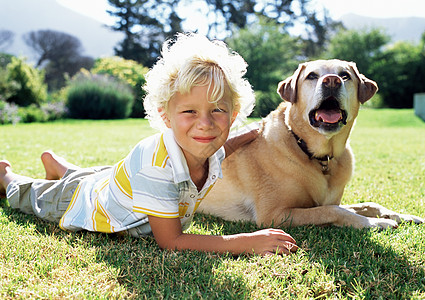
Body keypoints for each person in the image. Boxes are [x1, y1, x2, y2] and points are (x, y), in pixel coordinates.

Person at [0, 33, 298, 256]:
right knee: (34, 196)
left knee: (95, 179)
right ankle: (8, 177)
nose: (205, 123)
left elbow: (225, 147)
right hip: (83, 203)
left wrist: (254, 133)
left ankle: (63, 168)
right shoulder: (155, 167)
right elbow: (172, 241)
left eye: (217, 111)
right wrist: (246, 241)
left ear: (233, 115)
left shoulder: (205, 148)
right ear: (165, 116)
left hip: (114, 181)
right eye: (189, 111)